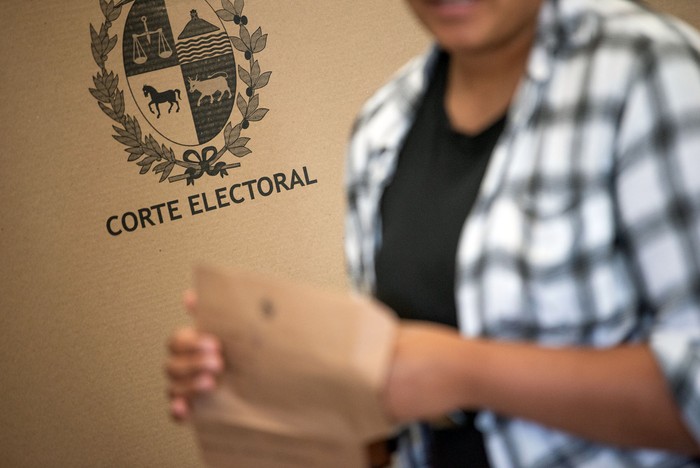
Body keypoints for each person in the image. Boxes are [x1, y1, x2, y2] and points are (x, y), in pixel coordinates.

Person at [166, 0, 700, 466]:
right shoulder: (381, 127)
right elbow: (389, 422)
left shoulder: (649, 72)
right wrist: (267, 394)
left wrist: (461, 372)